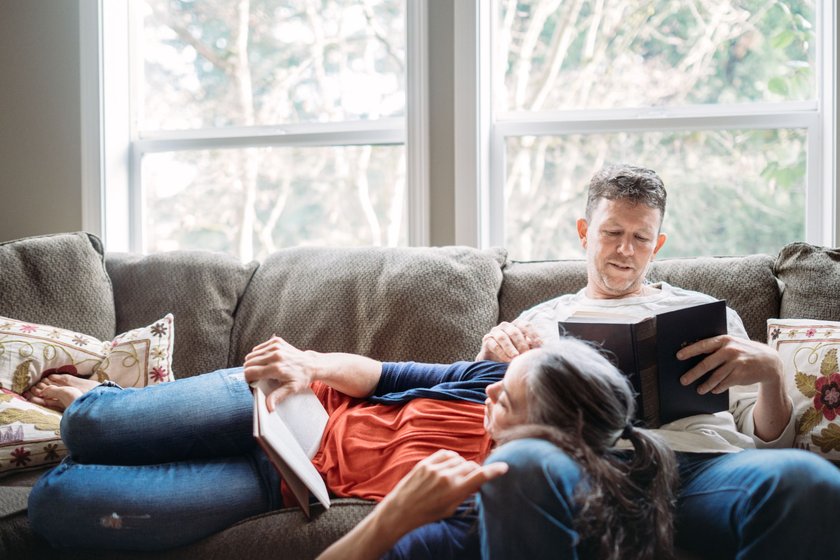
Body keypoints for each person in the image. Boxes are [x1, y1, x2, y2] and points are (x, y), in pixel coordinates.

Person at [469, 163, 840, 558]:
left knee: (810, 479)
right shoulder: (538, 321)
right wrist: (487, 361)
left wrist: (771, 373)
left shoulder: (707, 314)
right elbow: (479, 417)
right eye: (612, 233)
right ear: (584, 233)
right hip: (586, 468)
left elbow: (766, 442)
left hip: (703, 469)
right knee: (517, 463)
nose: (625, 250)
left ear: (657, 245)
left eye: (640, 237)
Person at [27, 337, 677, 560]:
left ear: (553, 435)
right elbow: (385, 376)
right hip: (294, 404)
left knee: (55, 507)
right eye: (498, 382)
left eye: (509, 401)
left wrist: (395, 515)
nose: (489, 398)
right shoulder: (484, 380)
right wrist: (310, 364)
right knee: (88, 428)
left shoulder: (489, 504)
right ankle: (97, 398)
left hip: (283, 480)